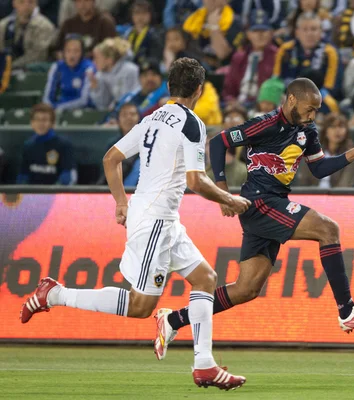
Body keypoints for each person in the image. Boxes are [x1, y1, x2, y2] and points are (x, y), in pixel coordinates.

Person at [19, 58, 250, 390]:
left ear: (170, 87)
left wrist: (121, 202)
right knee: (141, 306)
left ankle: (204, 366)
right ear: (199, 90)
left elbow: (111, 158)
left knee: (205, 278)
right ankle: (55, 294)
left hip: (161, 218)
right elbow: (197, 181)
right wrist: (230, 199)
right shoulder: (193, 123)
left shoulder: (151, 118)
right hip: (155, 220)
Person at [152, 78, 354, 360]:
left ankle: (172, 320)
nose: (313, 115)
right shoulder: (265, 124)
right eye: (310, 109)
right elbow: (219, 142)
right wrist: (222, 191)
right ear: (291, 100)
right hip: (259, 201)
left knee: (246, 289)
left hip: (274, 202)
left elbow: (319, 168)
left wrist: (352, 153)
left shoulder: (307, 131)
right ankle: (347, 311)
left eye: (316, 110)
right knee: (328, 229)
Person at [273, 12, 343, 98]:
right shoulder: (285, 50)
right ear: (297, 32)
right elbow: (275, 80)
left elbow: (331, 88)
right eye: (305, 29)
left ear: (321, 31)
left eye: (313, 29)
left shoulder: (330, 52)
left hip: (319, 100)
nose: (309, 33)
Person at [222, 9, 279, 108]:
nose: (259, 35)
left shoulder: (278, 56)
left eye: (264, 30)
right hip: (239, 104)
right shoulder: (239, 57)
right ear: (248, 34)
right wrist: (231, 100)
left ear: (271, 33)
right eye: (255, 31)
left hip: (264, 106)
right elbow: (228, 89)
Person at [16, 104, 77, 185]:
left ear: (52, 123)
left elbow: (68, 175)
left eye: (44, 120)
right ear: (32, 123)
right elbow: (23, 175)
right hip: (31, 195)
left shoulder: (64, 145)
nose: (40, 123)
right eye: (37, 120)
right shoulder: (28, 146)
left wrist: (53, 193)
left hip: (55, 195)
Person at [295, 113, 354, 187]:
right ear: (325, 131)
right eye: (332, 127)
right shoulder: (313, 150)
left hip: (336, 197)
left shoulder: (351, 153)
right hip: (312, 195)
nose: (337, 130)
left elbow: (346, 184)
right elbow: (303, 179)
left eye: (341, 126)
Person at [182, 0, 244, 70]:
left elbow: (222, 54)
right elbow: (187, 50)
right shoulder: (193, 20)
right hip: (197, 71)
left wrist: (214, 26)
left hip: (226, 72)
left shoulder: (235, 22)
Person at [43, 34, 95, 111]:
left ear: (82, 53)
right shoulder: (57, 67)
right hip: (60, 107)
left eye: (76, 51)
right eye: (68, 50)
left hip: (83, 110)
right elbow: (47, 97)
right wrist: (49, 106)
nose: (72, 55)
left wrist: (60, 108)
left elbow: (84, 100)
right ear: (63, 52)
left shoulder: (88, 68)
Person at [97, 103, 142, 186]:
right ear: (118, 120)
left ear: (139, 119)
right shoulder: (112, 145)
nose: (129, 118)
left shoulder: (148, 144)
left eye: (132, 114)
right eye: (124, 115)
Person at [0, 0, 55, 68]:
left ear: (36, 3)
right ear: (14, 3)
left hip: (31, 72)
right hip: (4, 70)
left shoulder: (44, 26)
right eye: (21, 2)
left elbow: (38, 56)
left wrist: (11, 66)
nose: (26, 6)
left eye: (30, 2)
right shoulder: (4, 25)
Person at [90, 37, 140, 111]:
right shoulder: (100, 75)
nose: (94, 62)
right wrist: (96, 89)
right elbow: (103, 105)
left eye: (97, 58)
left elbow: (131, 98)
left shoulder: (130, 70)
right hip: (116, 114)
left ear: (109, 59)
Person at [123, 0, 162, 64]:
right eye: (137, 13)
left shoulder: (155, 35)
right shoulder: (127, 34)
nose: (140, 17)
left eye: (144, 13)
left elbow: (155, 59)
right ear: (132, 15)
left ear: (150, 15)